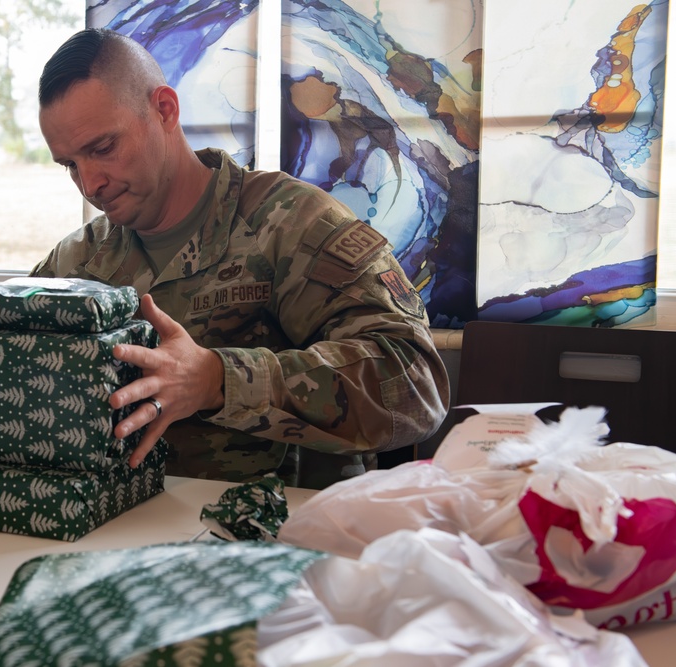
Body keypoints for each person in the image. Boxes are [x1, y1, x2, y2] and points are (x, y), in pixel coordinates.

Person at [32, 28, 449, 488]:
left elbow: (415, 386)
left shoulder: (294, 225)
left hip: (272, 534)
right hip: (118, 527)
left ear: (165, 110)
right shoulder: (79, 259)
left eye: (103, 148)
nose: (90, 185)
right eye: (70, 164)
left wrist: (218, 380)